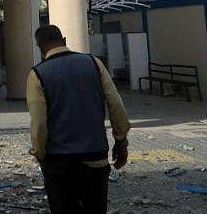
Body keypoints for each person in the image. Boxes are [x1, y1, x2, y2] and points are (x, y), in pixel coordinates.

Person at [27, 24, 130, 214]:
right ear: (64, 40)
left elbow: (39, 123)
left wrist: (39, 152)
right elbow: (116, 104)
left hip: (59, 162)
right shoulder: (94, 63)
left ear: (40, 48)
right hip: (95, 157)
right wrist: (121, 140)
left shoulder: (38, 74)